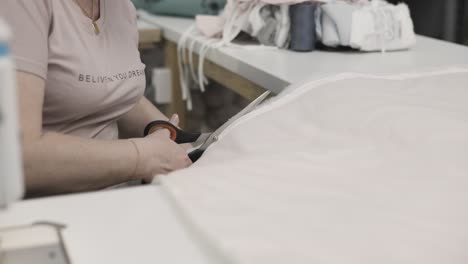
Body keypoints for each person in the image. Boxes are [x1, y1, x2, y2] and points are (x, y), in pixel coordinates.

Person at [0, 0, 192, 197]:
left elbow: (106, 93)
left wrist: (171, 136)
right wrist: (142, 157)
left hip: (105, 198)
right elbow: (20, 156)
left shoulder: (119, 7)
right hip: (44, 207)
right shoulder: (20, 6)